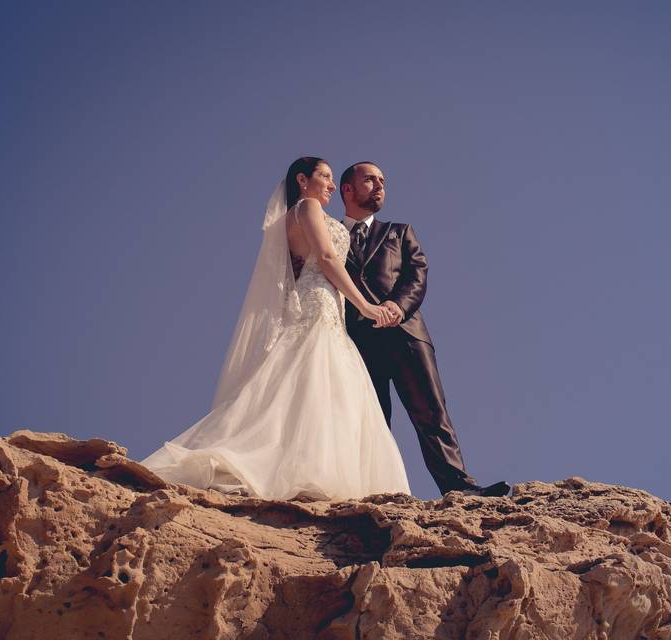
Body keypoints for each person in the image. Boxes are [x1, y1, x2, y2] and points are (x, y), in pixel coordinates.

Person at [141, 157, 410, 500]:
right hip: (318, 307)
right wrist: (366, 306)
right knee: (318, 386)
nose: (330, 185)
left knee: (311, 390)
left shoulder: (290, 218)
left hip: (325, 309)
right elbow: (327, 259)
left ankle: (308, 471)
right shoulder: (308, 207)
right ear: (302, 180)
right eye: (325, 176)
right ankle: (310, 474)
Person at [340, 162, 510, 498]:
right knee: (369, 421)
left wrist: (397, 307)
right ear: (347, 188)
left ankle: (460, 489)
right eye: (370, 179)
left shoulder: (400, 232)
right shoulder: (327, 234)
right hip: (356, 340)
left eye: (383, 181)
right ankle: (369, 492)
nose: (379, 185)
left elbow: (417, 275)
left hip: (407, 335)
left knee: (432, 414)